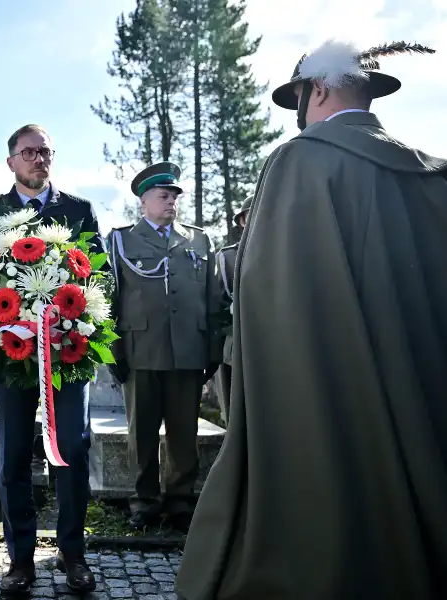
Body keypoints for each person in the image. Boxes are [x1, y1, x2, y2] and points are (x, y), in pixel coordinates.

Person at [175, 40, 447, 600]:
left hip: (327, 390)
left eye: (300, 96)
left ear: (317, 91)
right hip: (423, 393)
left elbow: (266, 293)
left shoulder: (299, 161)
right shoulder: (433, 177)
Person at [0, 124, 104, 595]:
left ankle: (73, 553)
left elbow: (100, 279)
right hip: (12, 355)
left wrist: (74, 324)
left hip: (68, 352)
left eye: (45, 151)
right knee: (12, 459)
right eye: (28, 152)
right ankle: (20, 560)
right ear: (10, 161)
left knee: (72, 447)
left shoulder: (78, 211)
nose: (37, 159)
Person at [107, 162, 221, 532]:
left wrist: (213, 351)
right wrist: (115, 353)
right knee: (142, 433)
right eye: (163, 195)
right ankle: (144, 501)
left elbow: (214, 298)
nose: (171, 201)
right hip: (141, 351)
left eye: (174, 196)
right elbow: (110, 301)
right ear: (143, 202)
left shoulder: (199, 240)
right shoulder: (121, 241)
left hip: (188, 350)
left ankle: (181, 502)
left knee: (184, 433)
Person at [213, 196, 251, 424]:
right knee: (236, 418)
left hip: (278, 349)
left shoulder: (286, 254)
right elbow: (217, 307)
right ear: (242, 221)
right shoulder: (227, 258)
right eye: (250, 214)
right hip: (235, 351)